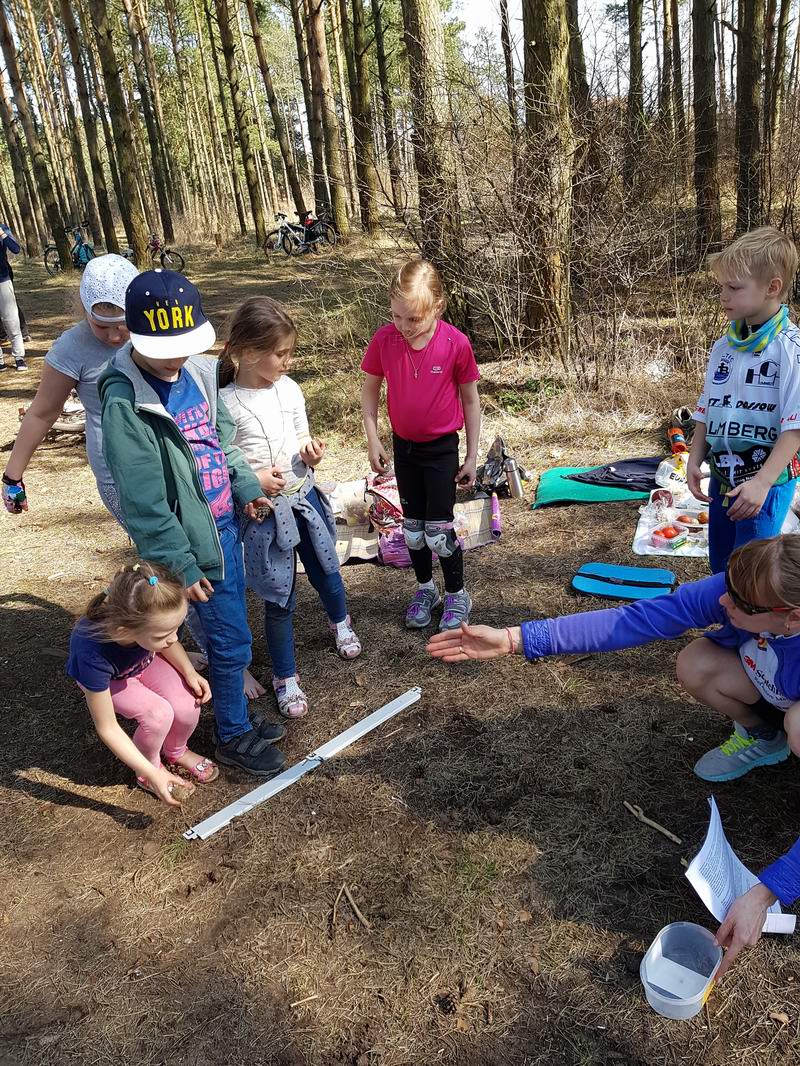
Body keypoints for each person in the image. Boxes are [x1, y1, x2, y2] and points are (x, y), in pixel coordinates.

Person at [427, 534, 800, 978]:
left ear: (790, 618)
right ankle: (764, 738)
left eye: (741, 602)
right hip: (774, 693)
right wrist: (514, 639)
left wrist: (766, 892)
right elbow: (637, 619)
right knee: (695, 662)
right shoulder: (744, 590)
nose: (723, 599)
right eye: (728, 587)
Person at [98, 269, 287, 778]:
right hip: (188, 545)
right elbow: (144, 503)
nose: (177, 358)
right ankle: (232, 735)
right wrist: (181, 561)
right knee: (230, 640)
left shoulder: (200, 374)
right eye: (167, 348)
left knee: (232, 632)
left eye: (185, 345)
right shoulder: (125, 402)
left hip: (224, 526)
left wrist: (246, 488)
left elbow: (222, 443)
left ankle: (236, 715)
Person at [219, 296, 362, 720]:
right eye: (280, 353)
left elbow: (302, 434)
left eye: (289, 352)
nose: (288, 361)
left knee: (327, 571)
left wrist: (311, 451)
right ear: (246, 353)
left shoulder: (290, 389)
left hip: (305, 500)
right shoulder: (226, 403)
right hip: (264, 516)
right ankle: (286, 676)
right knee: (278, 597)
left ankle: (341, 622)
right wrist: (254, 480)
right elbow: (226, 460)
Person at [360, 259, 481, 631]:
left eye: (413, 319)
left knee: (438, 531)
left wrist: (472, 456)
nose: (404, 326)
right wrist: (373, 437)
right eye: (397, 316)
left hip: (441, 449)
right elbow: (369, 390)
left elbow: (471, 400)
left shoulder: (455, 344)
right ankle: (425, 589)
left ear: (437, 308)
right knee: (412, 529)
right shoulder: (385, 339)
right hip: (404, 447)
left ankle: (458, 594)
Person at [688, 226, 800, 573]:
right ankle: (728, 625)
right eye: (722, 286)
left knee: (751, 569)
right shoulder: (724, 346)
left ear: (772, 287)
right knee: (721, 563)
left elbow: (796, 427)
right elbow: (707, 408)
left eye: (734, 288)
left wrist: (763, 482)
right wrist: (694, 459)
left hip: (766, 482)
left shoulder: (790, 349)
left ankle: (753, 629)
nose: (723, 295)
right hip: (724, 476)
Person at [67, 560, 217, 805]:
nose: (173, 639)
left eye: (176, 629)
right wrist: (151, 772)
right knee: (158, 715)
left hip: (143, 659)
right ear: (124, 631)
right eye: (163, 634)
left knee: (187, 704)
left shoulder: (148, 624)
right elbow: (108, 728)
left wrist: (189, 672)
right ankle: (150, 768)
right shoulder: (91, 653)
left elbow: (168, 643)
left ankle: (176, 751)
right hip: (111, 680)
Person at [2, 253, 137, 520]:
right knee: (161, 553)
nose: (114, 336)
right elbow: (42, 413)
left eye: (124, 326)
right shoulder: (70, 349)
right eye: (101, 326)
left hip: (173, 462)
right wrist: (11, 477)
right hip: (117, 473)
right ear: (84, 310)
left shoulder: (156, 330)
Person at [0, 222, 27, 371]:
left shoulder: (2, 228)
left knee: (11, 321)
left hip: (2, 280)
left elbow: (15, 249)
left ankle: (19, 357)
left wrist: (2, 234)